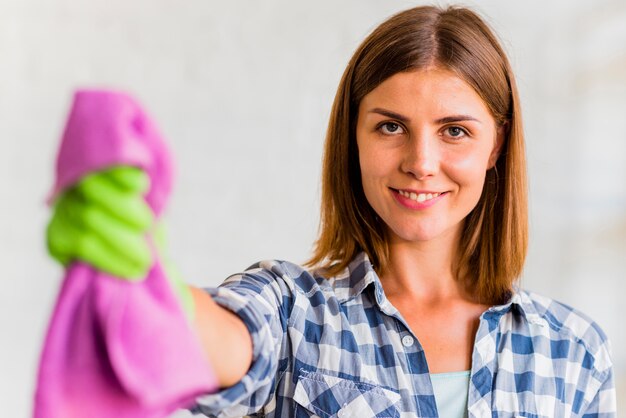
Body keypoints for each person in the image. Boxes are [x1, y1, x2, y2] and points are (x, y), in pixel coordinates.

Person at [46, 5, 616, 417]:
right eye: (390, 126)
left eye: (455, 131)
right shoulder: (292, 313)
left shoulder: (573, 350)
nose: (422, 161)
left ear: (495, 146)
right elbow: (218, 339)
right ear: (354, 139)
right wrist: (145, 286)